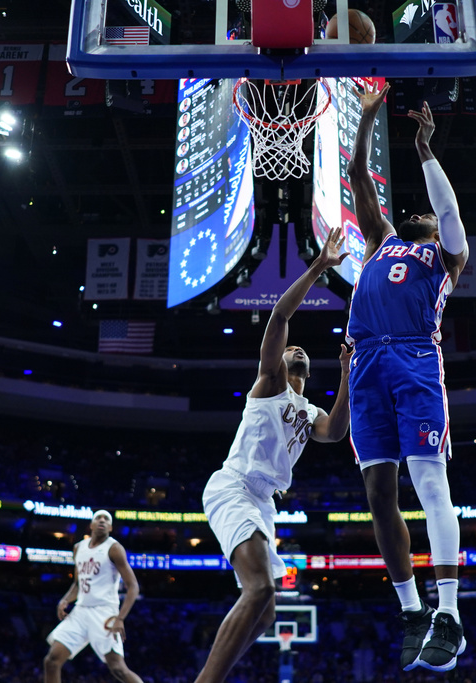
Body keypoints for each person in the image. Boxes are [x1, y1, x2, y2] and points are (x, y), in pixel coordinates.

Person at [346, 82, 470, 673]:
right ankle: (412, 609)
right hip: (366, 361)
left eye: (418, 211)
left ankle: (449, 612)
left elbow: (445, 212)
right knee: (377, 493)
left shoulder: (445, 256)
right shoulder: (380, 243)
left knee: (430, 485)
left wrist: (424, 150)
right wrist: (369, 120)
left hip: (415, 360)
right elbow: (357, 176)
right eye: (411, 210)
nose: (414, 212)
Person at [195, 227, 352, 683]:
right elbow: (281, 316)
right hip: (234, 486)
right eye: (290, 348)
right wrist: (320, 266)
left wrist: (346, 372)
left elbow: (336, 431)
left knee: (264, 612)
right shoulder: (270, 384)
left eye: (302, 351)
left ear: (309, 371)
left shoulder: (311, 410)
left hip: (263, 502)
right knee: (260, 587)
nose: (295, 347)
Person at [44, 510, 143, 683]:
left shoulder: (114, 548)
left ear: (111, 527)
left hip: (104, 612)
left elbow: (133, 586)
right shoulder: (78, 548)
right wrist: (66, 599)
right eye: (98, 518)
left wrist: (120, 618)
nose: (102, 521)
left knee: (118, 669)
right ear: (91, 525)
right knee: (51, 661)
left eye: (107, 519)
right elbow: (77, 583)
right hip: (81, 611)